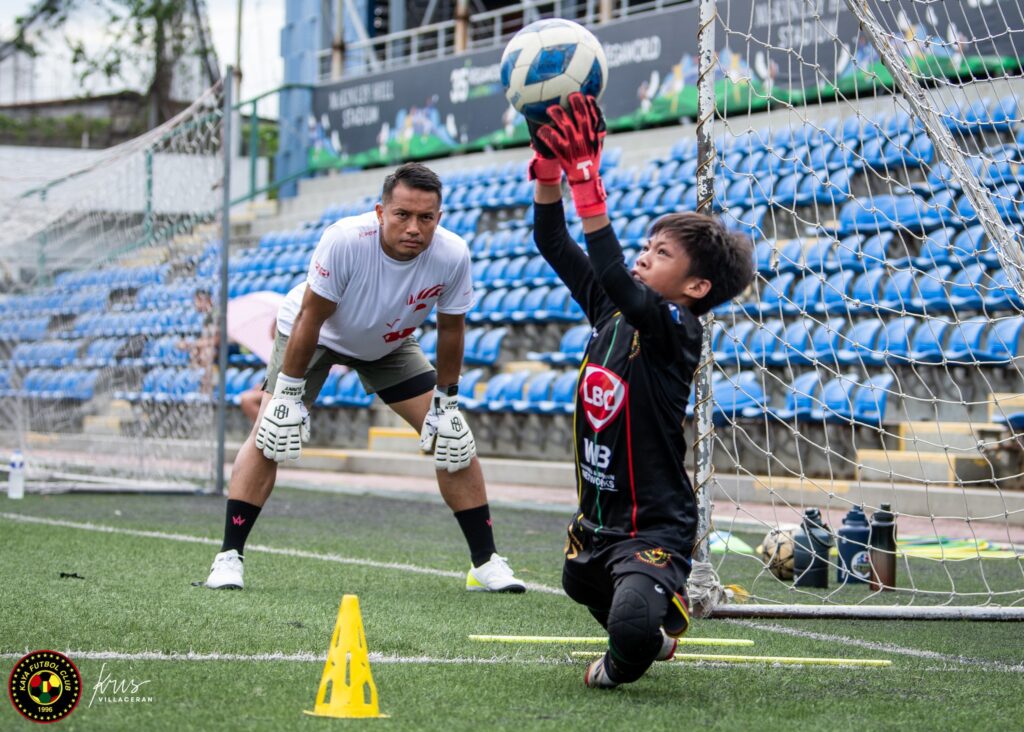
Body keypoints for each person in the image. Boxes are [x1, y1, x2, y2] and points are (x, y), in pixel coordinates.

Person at [204, 162, 526, 594]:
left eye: (425, 218)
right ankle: (229, 556)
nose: (414, 227)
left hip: (388, 343)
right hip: (318, 335)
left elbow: (452, 330)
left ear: (439, 218)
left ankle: (485, 562)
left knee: (451, 435)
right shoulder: (345, 240)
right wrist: (288, 394)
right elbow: (310, 318)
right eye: (402, 215)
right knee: (270, 431)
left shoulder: (452, 253)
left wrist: (447, 401)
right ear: (380, 212)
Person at [528, 94, 753, 688]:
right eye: (646, 248)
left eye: (660, 254)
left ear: (696, 286)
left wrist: (587, 179)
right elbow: (551, 238)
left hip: (653, 526)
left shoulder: (677, 330)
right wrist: (547, 162)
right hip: (597, 519)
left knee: (627, 628)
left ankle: (632, 644)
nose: (643, 259)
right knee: (578, 582)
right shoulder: (613, 306)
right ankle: (653, 623)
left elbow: (613, 275)